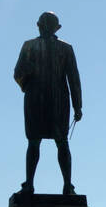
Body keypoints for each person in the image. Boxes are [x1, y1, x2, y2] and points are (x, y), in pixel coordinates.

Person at [14, 11, 83, 196]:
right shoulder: (29, 46)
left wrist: (78, 105)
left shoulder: (64, 48)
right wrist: (77, 105)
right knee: (36, 142)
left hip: (54, 100)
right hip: (40, 100)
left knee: (59, 143)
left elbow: (73, 78)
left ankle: (66, 185)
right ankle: (31, 184)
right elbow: (18, 73)